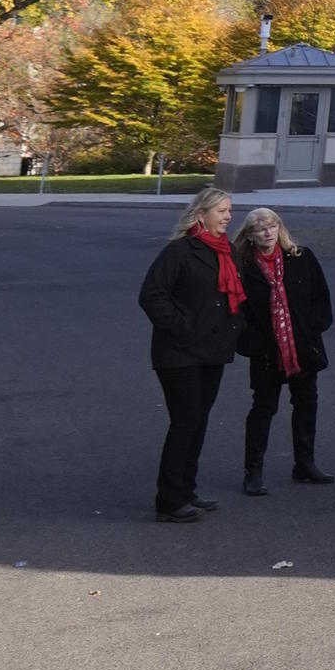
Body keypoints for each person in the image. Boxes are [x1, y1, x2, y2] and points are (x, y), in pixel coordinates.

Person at [135, 187, 245, 523]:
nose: (228, 216)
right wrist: (183, 326)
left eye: (229, 210)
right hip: (178, 353)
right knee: (185, 422)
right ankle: (168, 502)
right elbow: (152, 296)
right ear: (201, 214)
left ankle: (186, 489)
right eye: (222, 211)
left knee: (198, 422)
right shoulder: (179, 251)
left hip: (212, 351)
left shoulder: (227, 251)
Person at [232, 208, 334, 493]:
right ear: (250, 235)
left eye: (272, 226)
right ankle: (253, 471)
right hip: (266, 351)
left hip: (302, 347)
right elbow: (238, 312)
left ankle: (305, 463)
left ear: (280, 228)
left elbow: (321, 298)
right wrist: (252, 343)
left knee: (306, 404)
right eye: (260, 229)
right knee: (263, 408)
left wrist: (312, 330)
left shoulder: (301, 257)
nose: (268, 232)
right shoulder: (243, 267)